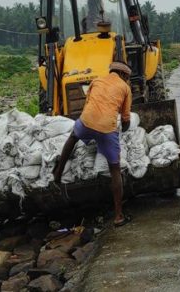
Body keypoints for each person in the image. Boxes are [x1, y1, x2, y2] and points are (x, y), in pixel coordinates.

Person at [52, 61, 133, 227]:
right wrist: (122, 130)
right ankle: (119, 216)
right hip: (107, 128)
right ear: (124, 75)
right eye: (128, 78)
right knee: (115, 168)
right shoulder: (125, 88)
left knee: (73, 136)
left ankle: (58, 174)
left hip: (87, 121)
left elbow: (88, 104)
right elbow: (126, 120)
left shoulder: (96, 81)